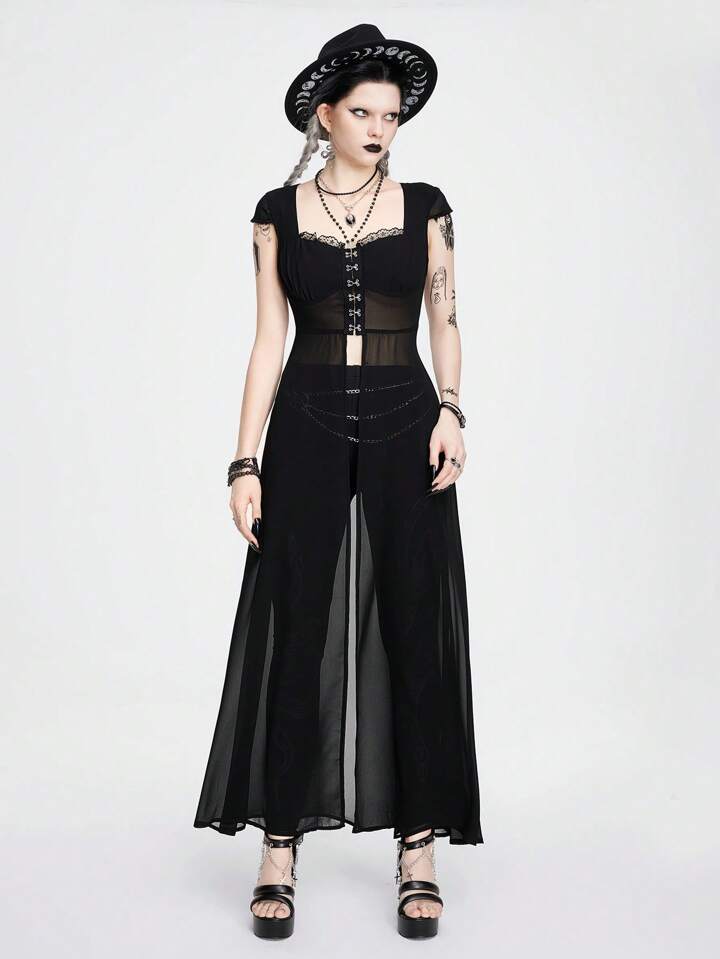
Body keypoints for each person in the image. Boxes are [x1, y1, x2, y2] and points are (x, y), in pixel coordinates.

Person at [193, 23, 483, 940]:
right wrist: (244, 460)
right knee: (297, 624)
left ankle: (418, 847)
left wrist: (453, 409)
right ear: (325, 115)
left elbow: (446, 318)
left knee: (414, 624)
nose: (379, 129)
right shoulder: (276, 214)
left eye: (391, 116)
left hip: (407, 418)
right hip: (308, 421)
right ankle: (278, 845)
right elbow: (266, 339)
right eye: (362, 113)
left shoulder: (427, 206)